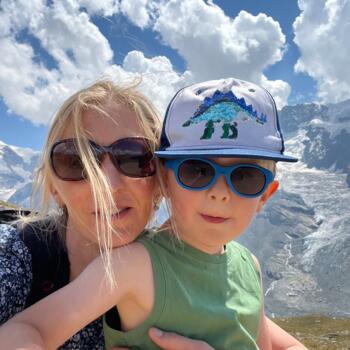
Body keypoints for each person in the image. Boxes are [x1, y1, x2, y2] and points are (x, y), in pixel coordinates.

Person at [0, 77, 307, 350]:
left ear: (157, 180)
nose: (106, 184)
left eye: (133, 157)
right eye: (197, 171)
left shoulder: (245, 265)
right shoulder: (15, 266)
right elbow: (28, 330)